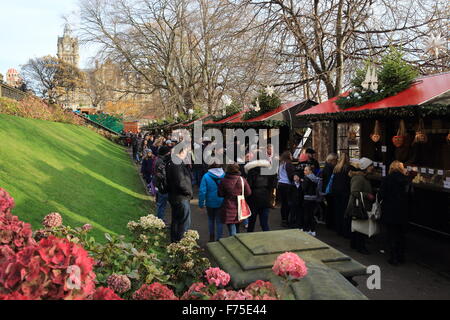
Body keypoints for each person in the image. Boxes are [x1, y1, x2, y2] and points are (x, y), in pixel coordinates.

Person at [380, 161, 414, 265]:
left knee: (391, 234)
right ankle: (401, 256)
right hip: (403, 211)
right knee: (401, 235)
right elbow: (411, 195)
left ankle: (393, 257)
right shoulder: (406, 180)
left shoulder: (387, 179)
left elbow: (381, 194)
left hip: (390, 211)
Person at [346, 157, 375, 254]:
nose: (372, 167)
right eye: (370, 166)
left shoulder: (363, 177)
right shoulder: (359, 178)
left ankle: (354, 244)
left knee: (358, 226)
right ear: (366, 167)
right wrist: (368, 195)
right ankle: (360, 247)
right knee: (360, 227)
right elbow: (354, 192)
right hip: (358, 206)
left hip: (360, 205)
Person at [166, 147, 193, 243]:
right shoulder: (176, 163)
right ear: (181, 152)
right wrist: (188, 192)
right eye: (186, 151)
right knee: (184, 222)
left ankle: (175, 241)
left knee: (176, 220)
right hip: (180, 197)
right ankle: (181, 243)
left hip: (175, 196)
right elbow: (180, 181)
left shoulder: (172, 162)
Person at [218, 164, 251, 237]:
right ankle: (237, 242)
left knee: (232, 228)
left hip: (228, 206)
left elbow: (220, 194)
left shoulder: (223, 180)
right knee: (237, 226)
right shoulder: (242, 179)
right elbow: (248, 192)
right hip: (240, 207)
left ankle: (234, 244)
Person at [244, 158, 277, 232]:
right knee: (264, 223)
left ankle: (248, 239)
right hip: (265, 198)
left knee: (251, 222)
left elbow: (249, 186)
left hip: (253, 199)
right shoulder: (269, 171)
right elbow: (273, 184)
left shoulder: (251, 171)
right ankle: (268, 239)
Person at [198, 163, 225, 242]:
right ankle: (219, 238)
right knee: (219, 221)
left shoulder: (206, 176)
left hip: (210, 202)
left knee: (211, 220)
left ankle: (211, 237)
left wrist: (201, 203)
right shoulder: (224, 175)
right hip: (221, 201)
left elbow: (202, 191)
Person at [332, 153, 355, 238]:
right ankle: (346, 231)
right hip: (345, 192)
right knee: (345, 212)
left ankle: (339, 230)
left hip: (336, 192)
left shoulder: (336, 168)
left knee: (338, 211)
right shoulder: (349, 168)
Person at [277, 151, 296, 227]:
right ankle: (287, 220)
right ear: (288, 156)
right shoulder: (288, 164)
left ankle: (284, 220)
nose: (292, 156)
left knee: (283, 203)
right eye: (291, 155)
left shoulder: (282, 164)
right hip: (287, 185)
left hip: (281, 184)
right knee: (288, 203)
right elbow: (291, 175)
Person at [153, 146, 171, 222]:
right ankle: (159, 220)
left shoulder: (159, 160)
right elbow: (163, 174)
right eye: (168, 152)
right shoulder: (161, 162)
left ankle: (159, 219)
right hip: (162, 186)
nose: (169, 153)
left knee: (161, 204)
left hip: (160, 185)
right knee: (161, 205)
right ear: (165, 153)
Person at [302, 166, 322, 236]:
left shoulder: (306, 178)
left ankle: (306, 229)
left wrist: (302, 182)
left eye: (306, 170)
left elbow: (304, 188)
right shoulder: (316, 178)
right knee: (311, 215)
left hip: (307, 198)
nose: (304, 172)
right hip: (314, 198)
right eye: (304, 170)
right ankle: (312, 230)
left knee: (306, 214)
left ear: (310, 171)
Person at [320, 153, 338, 229]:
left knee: (329, 207)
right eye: (336, 160)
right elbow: (330, 180)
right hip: (329, 190)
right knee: (331, 207)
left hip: (326, 189)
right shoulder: (330, 168)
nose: (337, 161)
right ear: (332, 160)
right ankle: (330, 224)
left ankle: (329, 223)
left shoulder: (326, 166)